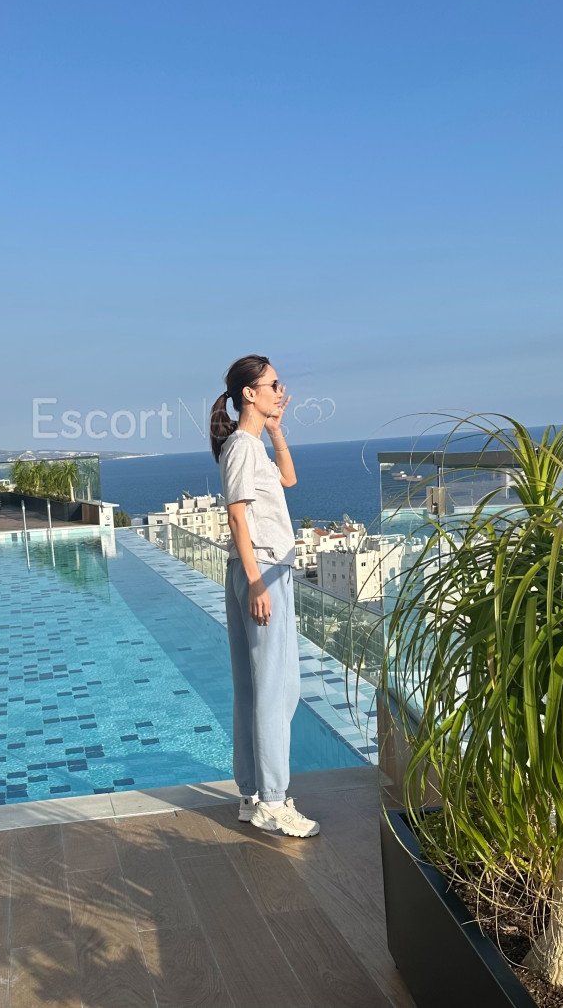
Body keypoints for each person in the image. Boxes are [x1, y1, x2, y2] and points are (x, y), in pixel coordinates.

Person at [209, 355, 319, 838]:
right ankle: (273, 801)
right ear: (249, 394)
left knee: (257, 688)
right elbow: (236, 516)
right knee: (277, 688)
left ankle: (253, 794)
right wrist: (256, 582)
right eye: (273, 384)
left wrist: (276, 429)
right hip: (263, 571)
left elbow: (288, 479)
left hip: (263, 570)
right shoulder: (239, 447)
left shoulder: (251, 446)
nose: (281, 390)